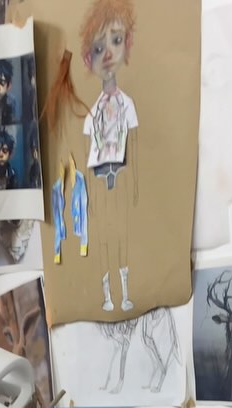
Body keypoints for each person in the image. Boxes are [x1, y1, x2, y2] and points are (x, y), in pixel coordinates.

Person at [80, 0, 138, 312]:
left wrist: (135, 186)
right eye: (100, 48)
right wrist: (87, 196)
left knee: (122, 236)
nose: (109, 54)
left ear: (127, 44)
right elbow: (87, 153)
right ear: (89, 58)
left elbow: (136, 147)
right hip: (99, 178)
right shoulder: (92, 111)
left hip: (121, 175)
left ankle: (125, 292)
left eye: (116, 41)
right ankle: (108, 297)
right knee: (104, 238)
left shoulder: (127, 105)